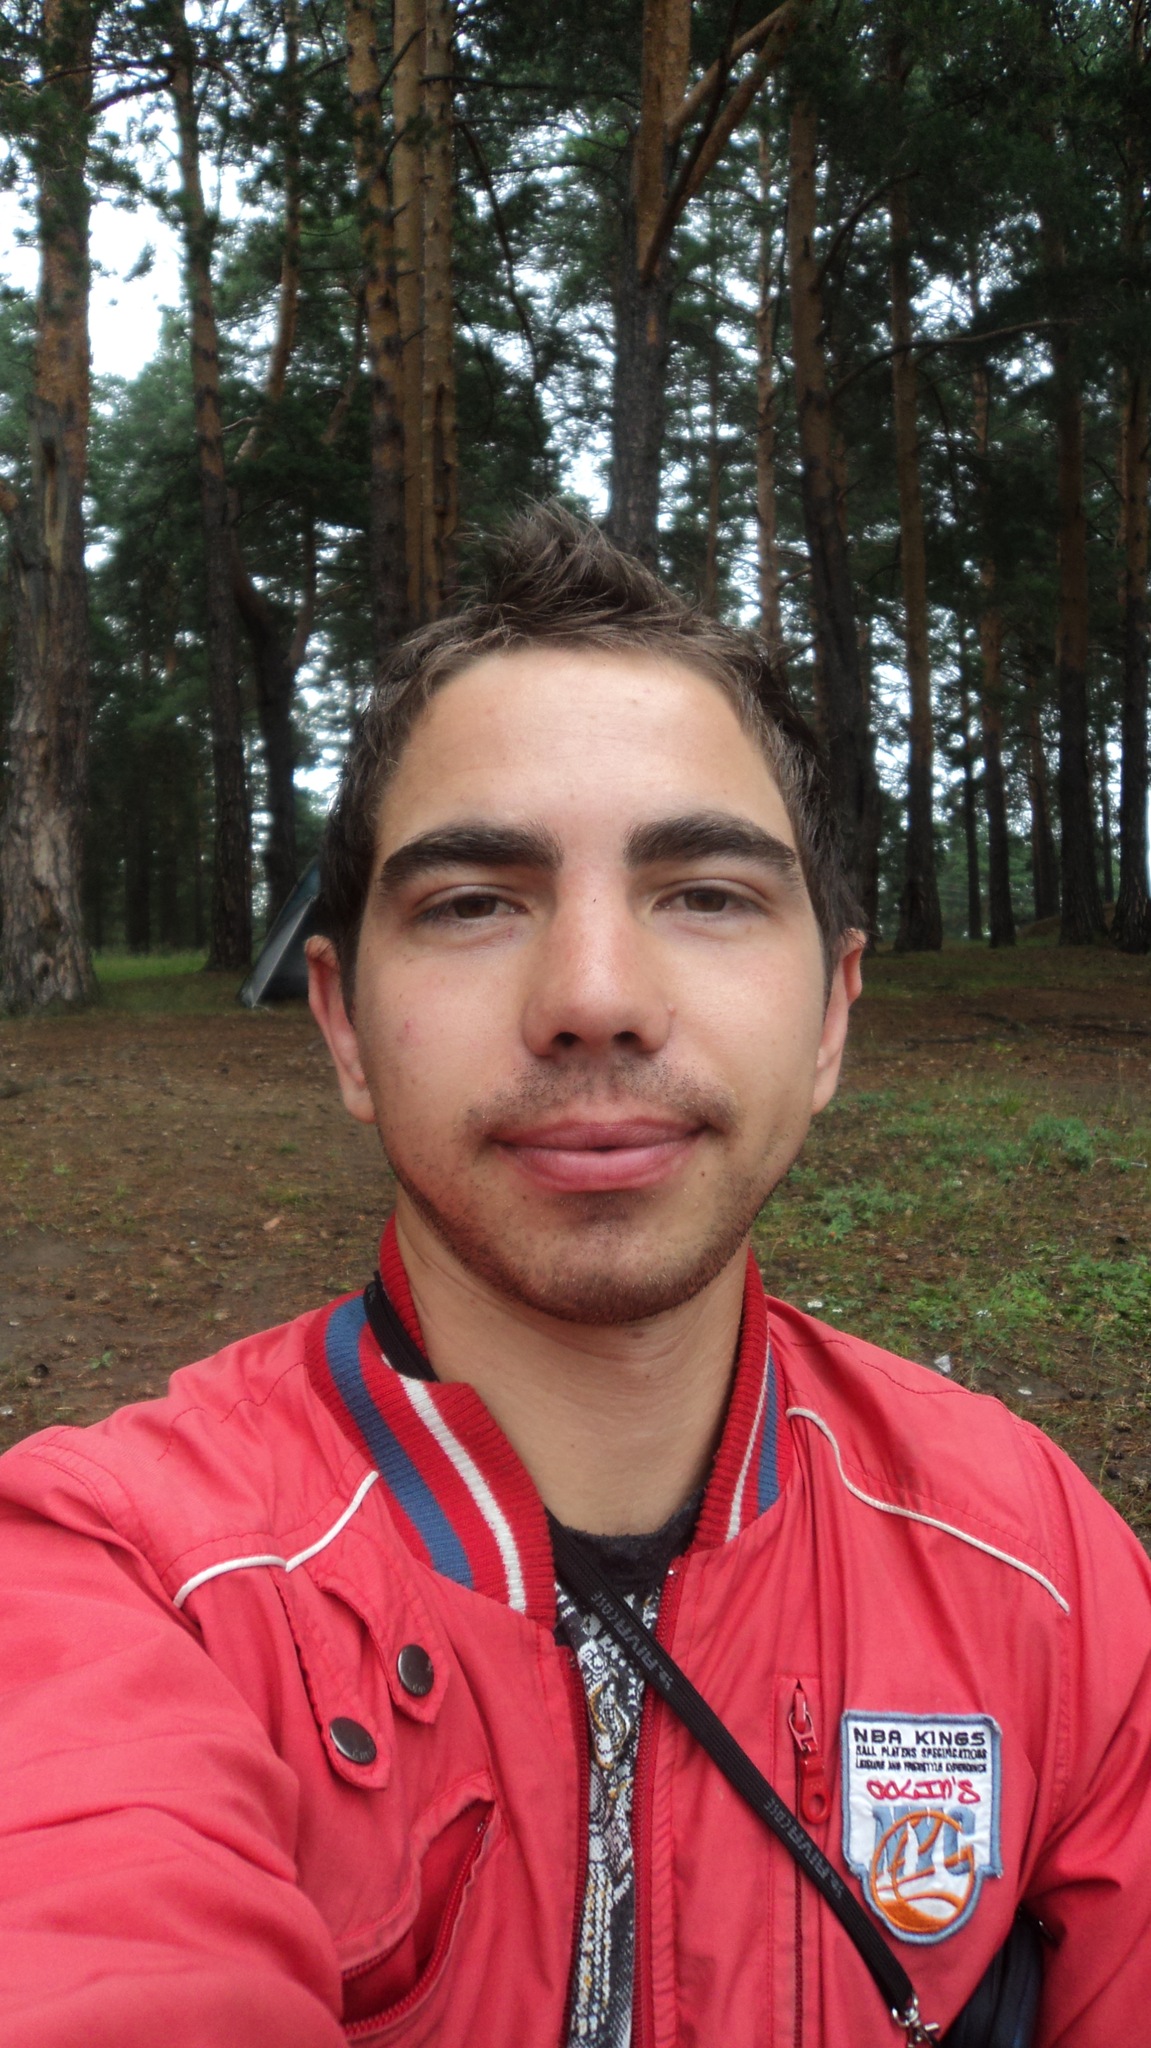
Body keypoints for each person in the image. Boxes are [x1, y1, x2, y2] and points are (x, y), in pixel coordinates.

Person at [0, 509, 1148, 2048]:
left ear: (831, 1016)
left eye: (708, 892)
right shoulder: (121, 1580)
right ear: (343, 1026)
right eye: (475, 902)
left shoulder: (1044, 1574)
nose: (595, 997)